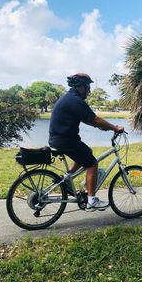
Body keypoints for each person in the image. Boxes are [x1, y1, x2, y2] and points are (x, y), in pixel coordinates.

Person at [48, 73, 124, 211]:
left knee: (87, 152)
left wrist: (101, 126)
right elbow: (94, 119)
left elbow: (87, 119)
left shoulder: (69, 98)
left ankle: (66, 180)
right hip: (66, 140)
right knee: (92, 163)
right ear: (80, 87)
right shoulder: (75, 100)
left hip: (59, 139)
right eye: (88, 87)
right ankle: (91, 201)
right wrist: (114, 127)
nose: (89, 91)